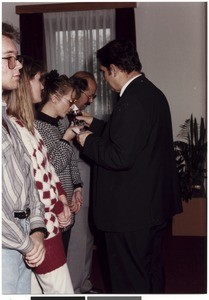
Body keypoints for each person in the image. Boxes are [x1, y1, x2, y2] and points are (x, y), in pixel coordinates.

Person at [75, 39, 183, 293]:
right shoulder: (150, 93)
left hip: (130, 213)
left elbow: (119, 156)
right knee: (150, 270)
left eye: (103, 72)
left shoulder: (131, 101)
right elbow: (132, 138)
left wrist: (85, 139)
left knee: (130, 281)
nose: (103, 79)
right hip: (150, 207)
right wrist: (95, 124)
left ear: (114, 68)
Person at [5, 55, 74, 294]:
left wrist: (62, 198)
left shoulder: (27, 124)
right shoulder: (16, 126)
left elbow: (48, 170)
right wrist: (57, 207)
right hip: (42, 226)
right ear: (25, 84)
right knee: (61, 290)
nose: (43, 86)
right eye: (38, 80)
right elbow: (34, 180)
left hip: (46, 223)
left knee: (35, 289)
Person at [2, 22, 46, 294]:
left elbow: (29, 180)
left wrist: (37, 229)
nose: (18, 65)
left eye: (16, 58)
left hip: (21, 237)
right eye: (8, 59)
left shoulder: (6, 117)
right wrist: (29, 243)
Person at [35, 70, 84, 255]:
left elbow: (71, 160)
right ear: (54, 97)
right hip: (52, 208)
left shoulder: (60, 123)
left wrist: (77, 187)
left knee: (64, 257)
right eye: (69, 101)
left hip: (66, 205)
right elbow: (50, 169)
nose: (72, 106)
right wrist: (66, 140)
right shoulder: (36, 126)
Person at [67, 71, 100, 294]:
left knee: (87, 237)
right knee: (78, 240)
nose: (91, 100)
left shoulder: (79, 113)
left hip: (89, 180)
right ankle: (76, 289)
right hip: (76, 184)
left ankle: (84, 283)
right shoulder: (63, 114)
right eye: (90, 95)